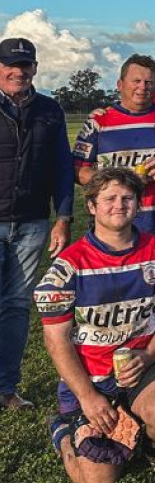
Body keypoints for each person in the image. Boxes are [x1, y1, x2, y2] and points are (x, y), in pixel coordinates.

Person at [36, 167, 155, 483]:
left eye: (127, 198)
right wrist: (88, 397)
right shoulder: (69, 265)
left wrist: (148, 355)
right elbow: (55, 340)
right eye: (109, 199)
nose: (118, 205)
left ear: (138, 204)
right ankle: (64, 432)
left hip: (141, 368)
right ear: (91, 207)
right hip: (92, 380)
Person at [0, 37, 73, 410]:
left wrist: (62, 218)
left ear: (35, 69)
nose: (19, 71)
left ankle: (6, 388)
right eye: (11, 64)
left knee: (15, 306)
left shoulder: (49, 110)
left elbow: (63, 167)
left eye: (25, 65)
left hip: (31, 225)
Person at [73, 54, 155, 235]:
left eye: (149, 82)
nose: (143, 87)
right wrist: (120, 183)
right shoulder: (98, 121)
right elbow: (78, 170)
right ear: (120, 84)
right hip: (112, 226)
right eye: (136, 81)